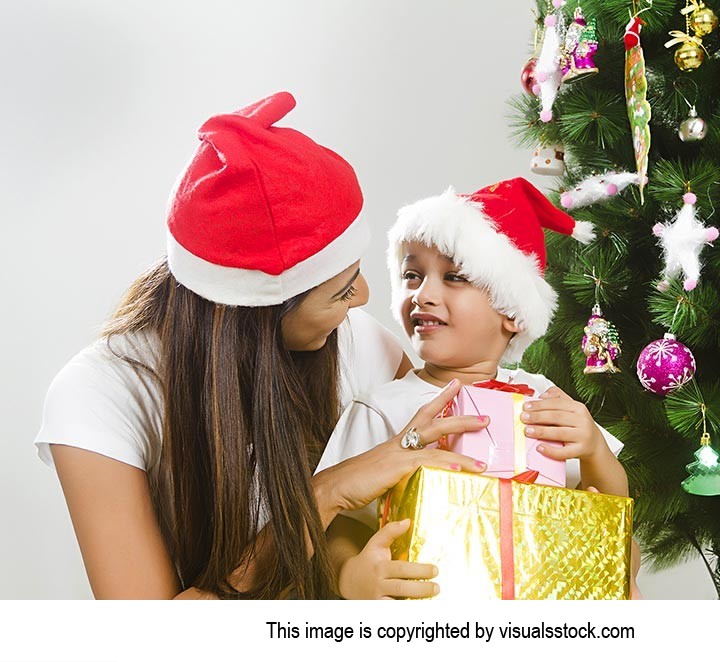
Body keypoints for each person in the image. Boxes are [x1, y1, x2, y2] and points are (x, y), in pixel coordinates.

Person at [32, 92, 490, 599]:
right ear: (255, 317)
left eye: (356, 274)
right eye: (341, 289)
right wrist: (325, 492)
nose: (363, 298)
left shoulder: (364, 347)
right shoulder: (99, 396)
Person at [317, 177, 642, 599]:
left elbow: (610, 513)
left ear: (513, 311)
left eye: (454, 277)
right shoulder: (382, 407)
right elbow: (336, 521)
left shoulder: (542, 397)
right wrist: (349, 576)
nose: (422, 294)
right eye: (412, 275)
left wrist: (595, 449)